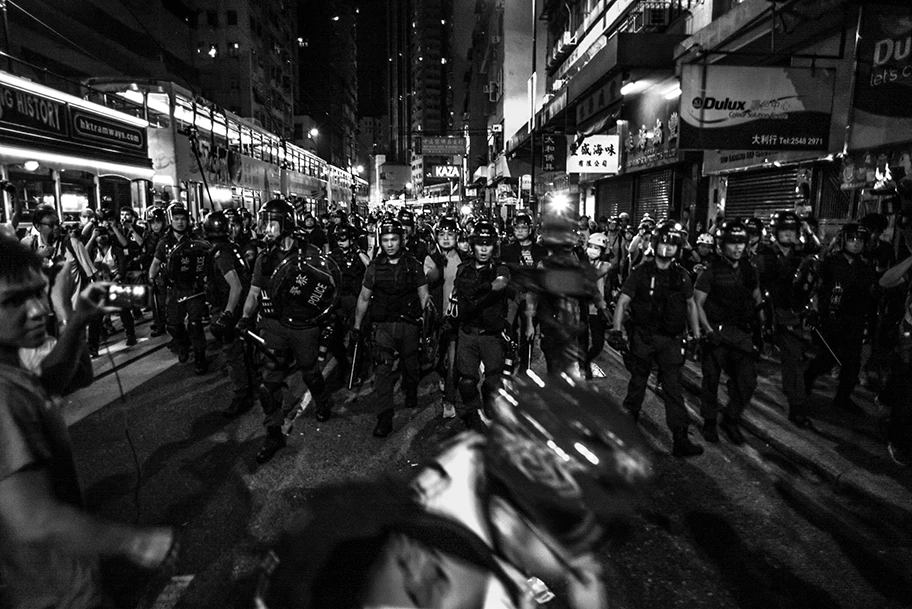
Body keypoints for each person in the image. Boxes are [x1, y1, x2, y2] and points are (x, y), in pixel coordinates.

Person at [0, 236, 175, 608]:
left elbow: (61, 379)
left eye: (38, 293)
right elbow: (34, 519)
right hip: (53, 591)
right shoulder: (2, 395)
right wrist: (135, 542)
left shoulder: (11, 369)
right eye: (13, 301)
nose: (36, 310)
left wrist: (75, 317)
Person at [237, 200, 338, 463]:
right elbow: (254, 291)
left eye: (271, 223)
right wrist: (244, 317)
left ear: (286, 225)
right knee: (267, 384)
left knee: (309, 371)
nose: (265, 229)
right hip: (273, 325)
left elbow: (328, 285)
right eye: (264, 223)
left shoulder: (309, 253)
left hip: (303, 325)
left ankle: (321, 400)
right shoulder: (264, 258)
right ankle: (273, 432)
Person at [610, 221, 704, 456]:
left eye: (673, 244)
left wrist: (696, 336)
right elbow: (623, 302)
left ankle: (680, 438)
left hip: (671, 340)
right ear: (655, 244)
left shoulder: (682, 276)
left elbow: (691, 305)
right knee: (638, 382)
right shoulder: (641, 272)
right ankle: (625, 426)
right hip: (644, 337)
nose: (668, 248)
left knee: (673, 388)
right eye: (663, 242)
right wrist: (616, 330)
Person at [352, 218, 430, 438]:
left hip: (408, 326)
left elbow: (424, 297)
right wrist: (357, 326)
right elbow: (364, 298)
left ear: (401, 240)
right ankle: (384, 417)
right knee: (383, 372)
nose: (389, 244)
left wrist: (426, 325)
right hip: (383, 327)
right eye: (385, 240)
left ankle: (411, 388)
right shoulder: (374, 267)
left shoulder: (413, 265)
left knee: (411, 366)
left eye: (394, 239)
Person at [694, 220, 762, 445]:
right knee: (711, 380)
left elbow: (757, 296)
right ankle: (710, 422)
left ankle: (731, 419)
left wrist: (762, 325)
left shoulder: (748, 270)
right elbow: (697, 303)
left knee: (747, 380)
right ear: (722, 245)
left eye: (741, 242)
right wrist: (707, 330)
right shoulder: (711, 271)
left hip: (741, 334)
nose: (737, 247)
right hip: (716, 333)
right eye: (732, 243)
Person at [803, 222, 878, 414]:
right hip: (832, 319)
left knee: (852, 364)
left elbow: (870, 295)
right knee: (827, 358)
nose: (856, 244)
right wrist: (813, 310)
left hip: (855, 321)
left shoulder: (865, 267)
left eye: (860, 240)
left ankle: (842, 398)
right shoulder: (830, 262)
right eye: (852, 239)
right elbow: (816, 289)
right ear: (844, 240)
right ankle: (805, 383)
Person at [452, 221, 510, 430]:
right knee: (467, 382)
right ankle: (472, 413)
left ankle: (488, 400)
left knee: (493, 381)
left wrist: (485, 287)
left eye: (488, 244)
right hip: (468, 331)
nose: (484, 249)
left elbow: (502, 281)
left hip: (490, 334)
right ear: (472, 245)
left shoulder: (498, 268)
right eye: (479, 244)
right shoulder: (463, 269)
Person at [755, 211, 811, 427]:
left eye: (792, 231)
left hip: (789, 314)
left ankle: (796, 405)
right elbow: (757, 285)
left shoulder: (801, 256)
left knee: (794, 359)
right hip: (764, 312)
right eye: (784, 230)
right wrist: (760, 315)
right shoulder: (764, 254)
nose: (788, 235)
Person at [204, 211, 257, 418]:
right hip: (243, 307)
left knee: (233, 354)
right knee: (245, 351)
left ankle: (241, 395)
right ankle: (252, 388)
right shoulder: (233, 247)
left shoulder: (220, 254)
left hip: (231, 307)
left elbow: (235, 286)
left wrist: (226, 314)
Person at [148, 204, 210, 372]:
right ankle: (183, 345)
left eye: (182, 219)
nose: (180, 222)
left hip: (194, 288)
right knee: (173, 325)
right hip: (174, 289)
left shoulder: (196, 239)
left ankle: (200, 356)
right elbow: (155, 263)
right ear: (170, 220)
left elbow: (207, 259)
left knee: (195, 324)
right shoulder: (164, 243)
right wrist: (151, 279)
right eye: (176, 219)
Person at [425, 215, 469, 418]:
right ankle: (441, 374)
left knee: (453, 360)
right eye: (441, 234)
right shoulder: (431, 258)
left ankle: (449, 400)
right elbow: (427, 279)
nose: (445, 238)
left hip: (455, 318)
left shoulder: (465, 258)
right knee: (436, 357)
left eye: (450, 234)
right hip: (436, 318)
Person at [500, 212, 547, 371]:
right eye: (517, 227)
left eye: (523, 227)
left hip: (532, 297)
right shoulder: (506, 250)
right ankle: (508, 359)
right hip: (511, 295)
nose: (520, 231)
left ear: (530, 229)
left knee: (529, 331)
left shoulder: (540, 251)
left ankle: (524, 368)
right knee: (509, 328)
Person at [327, 223, 370, 384]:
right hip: (338, 299)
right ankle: (343, 364)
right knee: (334, 338)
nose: (340, 241)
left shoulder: (358, 254)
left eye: (344, 238)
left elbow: (370, 265)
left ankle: (358, 369)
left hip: (356, 299)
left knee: (356, 336)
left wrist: (358, 250)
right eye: (338, 238)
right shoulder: (333, 255)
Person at [582, 232, 611, 380]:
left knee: (598, 344)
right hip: (582, 308)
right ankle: (584, 370)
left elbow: (592, 277)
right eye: (591, 247)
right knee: (581, 342)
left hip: (597, 310)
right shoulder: (582, 263)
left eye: (597, 248)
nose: (593, 250)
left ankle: (585, 362)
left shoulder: (605, 265)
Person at [142, 207, 168, 337]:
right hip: (151, 270)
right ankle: (159, 321)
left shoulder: (166, 236)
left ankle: (161, 324)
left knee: (161, 301)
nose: (155, 226)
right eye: (152, 223)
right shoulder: (149, 235)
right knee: (154, 300)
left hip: (163, 272)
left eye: (158, 222)